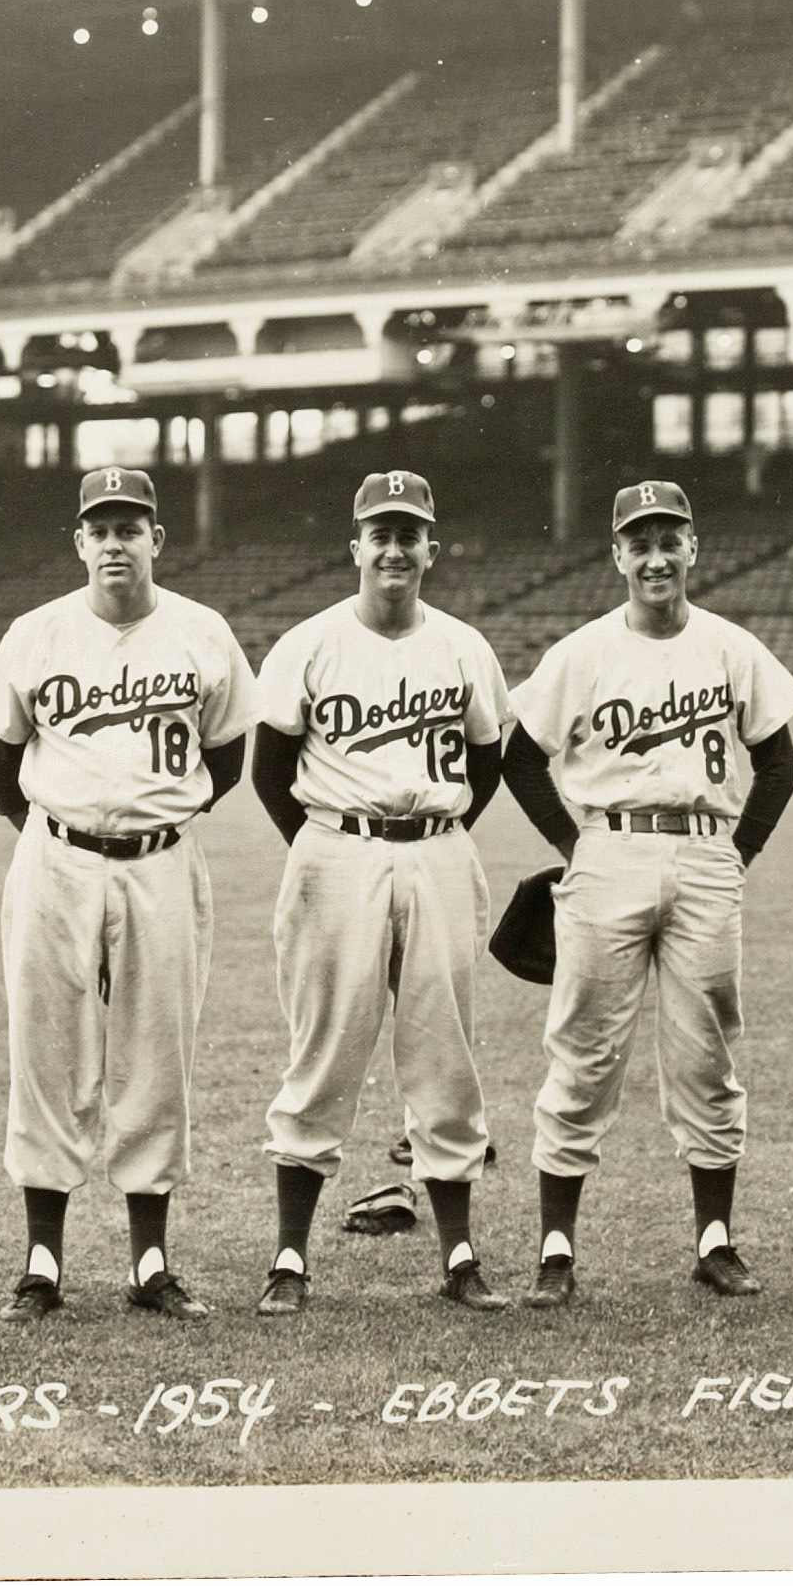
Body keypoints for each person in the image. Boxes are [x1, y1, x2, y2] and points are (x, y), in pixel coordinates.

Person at [499, 478, 793, 1307]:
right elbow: (519, 757)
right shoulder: (582, 652)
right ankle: (556, 1247)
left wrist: (739, 854)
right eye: (640, 542)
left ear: (693, 548)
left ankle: (715, 1240)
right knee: (584, 1048)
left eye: (670, 539)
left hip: (706, 850)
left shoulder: (730, 647)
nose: (657, 556)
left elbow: (779, 763)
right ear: (618, 555)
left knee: (707, 1049)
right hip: (612, 845)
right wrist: (574, 844)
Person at [0, 465, 253, 1321]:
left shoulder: (203, 633)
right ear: (81, 541)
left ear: (156, 539)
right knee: (44, 1052)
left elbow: (228, 758)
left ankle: (150, 1263)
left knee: (155, 1055)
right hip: (55, 856)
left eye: (132, 526)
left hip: (161, 861)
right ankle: (43, 1263)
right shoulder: (37, 631)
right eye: (101, 526)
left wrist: (156, 817)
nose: (116, 540)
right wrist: (62, 829)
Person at [245, 468, 514, 1314]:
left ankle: (460, 1255)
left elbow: (488, 759)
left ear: (431, 547)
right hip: (337, 848)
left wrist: (427, 828)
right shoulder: (310, 642)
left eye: (410, 533)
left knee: (446, 1054)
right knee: (323, 1050)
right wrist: (329, 847)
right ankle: (289, 1258)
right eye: (381, 532)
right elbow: (268, 768)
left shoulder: (465, 645)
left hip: (437, 848)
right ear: (355, 545)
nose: (395, 547)